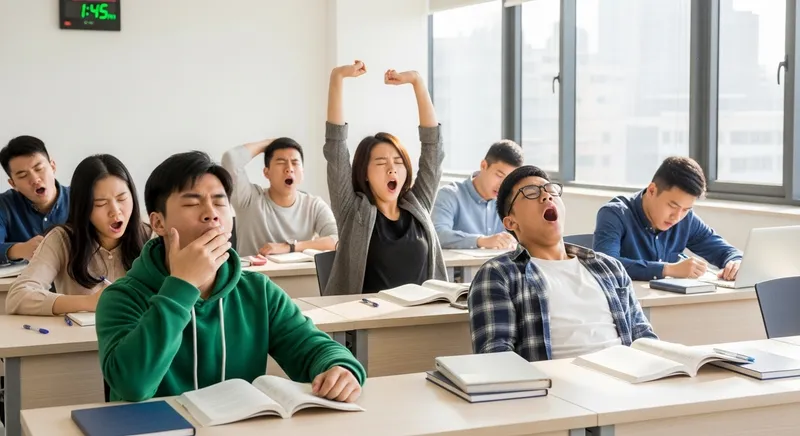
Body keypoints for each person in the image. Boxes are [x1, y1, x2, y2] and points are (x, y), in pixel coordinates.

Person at [95, 151, 364, 402]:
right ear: (158, 223)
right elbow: (132, 386)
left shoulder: (257, 291)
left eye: (219, 202)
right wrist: (182, 286)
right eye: (192, 203)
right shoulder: (122, 297)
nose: (211, 214)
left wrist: (339, 367)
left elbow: (311, 347)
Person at [468, 165, 656, 362]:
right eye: (530, 193)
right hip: (555, 380)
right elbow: (496, 359)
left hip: (623, 375)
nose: (546, 196)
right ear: (511, 223)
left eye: (551, 190)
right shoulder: (498, 274)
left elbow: (643, 337)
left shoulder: (609, 268)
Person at [323, 60, 445, 295]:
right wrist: (337, 77)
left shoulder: (418, 205)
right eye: (380, 163)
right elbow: (335, 147)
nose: (392, 169)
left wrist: (417, 82)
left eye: (398, 162)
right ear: (364, 173)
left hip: (421, 313)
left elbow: (434, 150)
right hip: (366, 315)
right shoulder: (352, 211)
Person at [6, 155, 149, 315]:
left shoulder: (152, 237)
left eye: (122, 198)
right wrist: (89, 302)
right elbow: (17, 297)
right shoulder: (62, 239)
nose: (115, 211)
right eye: (100, 203)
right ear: (83, 207)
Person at [593, 156, 742, 282]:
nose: (677, 217)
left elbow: (726, 251)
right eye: (672, 206)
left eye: (686, 209)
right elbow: (606, 266)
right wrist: (668, 269)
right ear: (652, 190)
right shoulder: (614, 214)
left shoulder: (686, 219)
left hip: (668, 303)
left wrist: (736, 262)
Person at [221, 137, 337, 257]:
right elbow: (230, 159)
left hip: (297, 269)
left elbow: (338, 240)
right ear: (266, 172)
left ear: (302, 172)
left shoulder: (314, 205)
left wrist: (290, 247)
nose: (289, 169)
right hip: (255, 269)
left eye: (295, 163)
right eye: (281, 162)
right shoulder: (248, 199)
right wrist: (268, 143)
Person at [432, 140, 523, 249]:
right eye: (499, 175)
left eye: (509, 180)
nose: (503, 185)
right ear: (483, 165)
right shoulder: (449, 195)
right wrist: (481, 241)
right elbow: (437, 234)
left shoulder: (510, 203)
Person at [0, 136, 70, 263]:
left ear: (52, 166)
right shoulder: (4, 205)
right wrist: (20, 250)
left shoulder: (81, 197)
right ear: (13, 184)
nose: (35, 179)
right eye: (23, 175)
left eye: (39, 169)